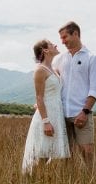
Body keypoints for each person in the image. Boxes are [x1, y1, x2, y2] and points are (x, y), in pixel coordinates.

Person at [52, 21, 96, 168]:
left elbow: (94, 89)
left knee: (87, 153)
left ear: (76, 34)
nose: (62, 41)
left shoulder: (92, 57)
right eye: (61, 38)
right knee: (66, 157)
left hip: (81, 113)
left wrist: (85, 112)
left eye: (65, 37)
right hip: (61, 115)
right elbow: (52, 83)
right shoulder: (59, 59)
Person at [21, 40, 70, 174]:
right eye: (51, 44)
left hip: (57, 114)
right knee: (42, 154)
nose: (55, 45)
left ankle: (44, 179)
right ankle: (33, 181)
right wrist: (46, 122)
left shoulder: (54, 70)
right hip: (46, 116)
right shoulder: (40, 70)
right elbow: (39, 97)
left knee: (54, 152)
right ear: (45, 50)